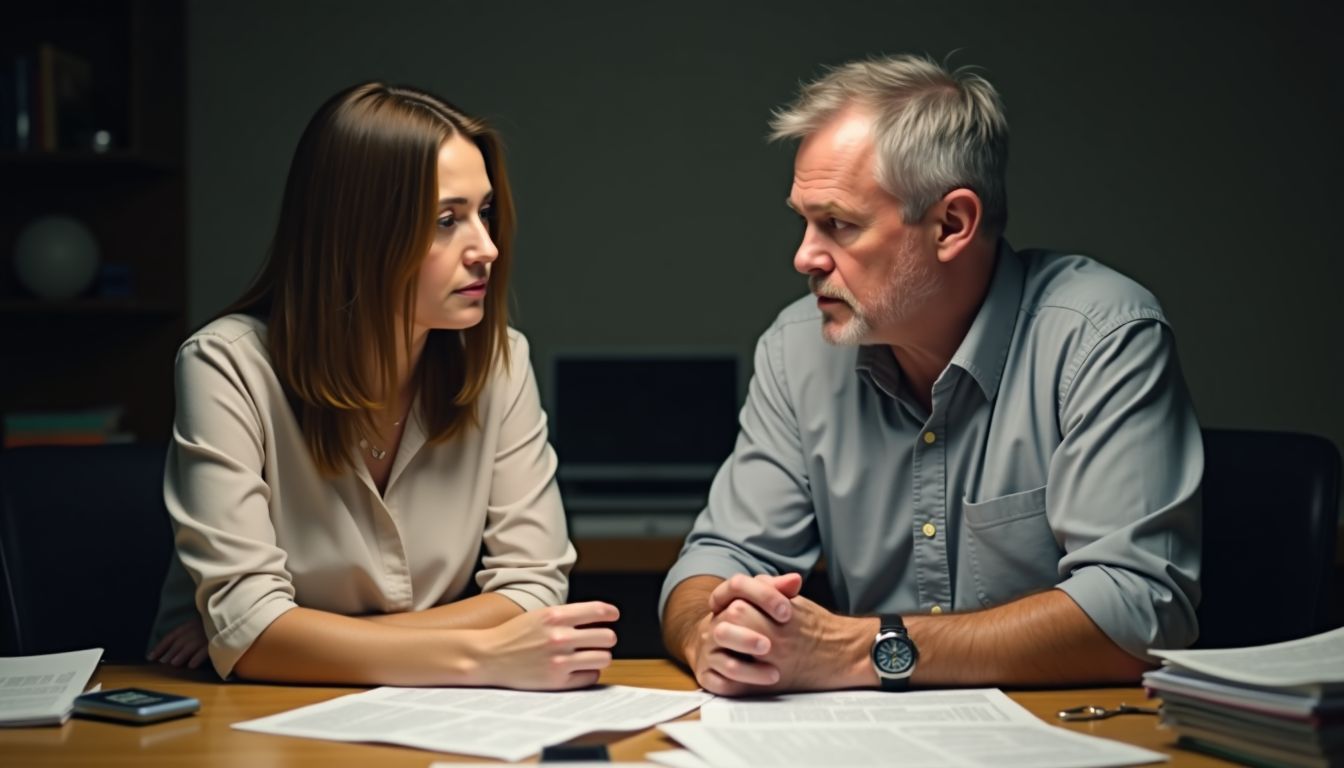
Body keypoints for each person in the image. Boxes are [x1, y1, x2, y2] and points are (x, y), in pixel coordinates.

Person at [660, 55, 1202, 696]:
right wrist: (709, 634)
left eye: (838, 224)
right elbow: (717, 559)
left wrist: (862, 650)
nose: (803, 255)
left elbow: (1139, 610)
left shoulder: (1100, 334)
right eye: (804, 221)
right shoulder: (796, 346)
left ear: (951, 225)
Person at [147, 82, 618, 688]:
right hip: (243, 718)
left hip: (424, 715)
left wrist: (287, 637)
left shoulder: (501, 363)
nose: (488, 249)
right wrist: (485, 652)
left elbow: (532, 588)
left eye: (485, 212)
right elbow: (252, 633)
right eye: (448, 220)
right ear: (357, 234)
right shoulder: (225, 365)